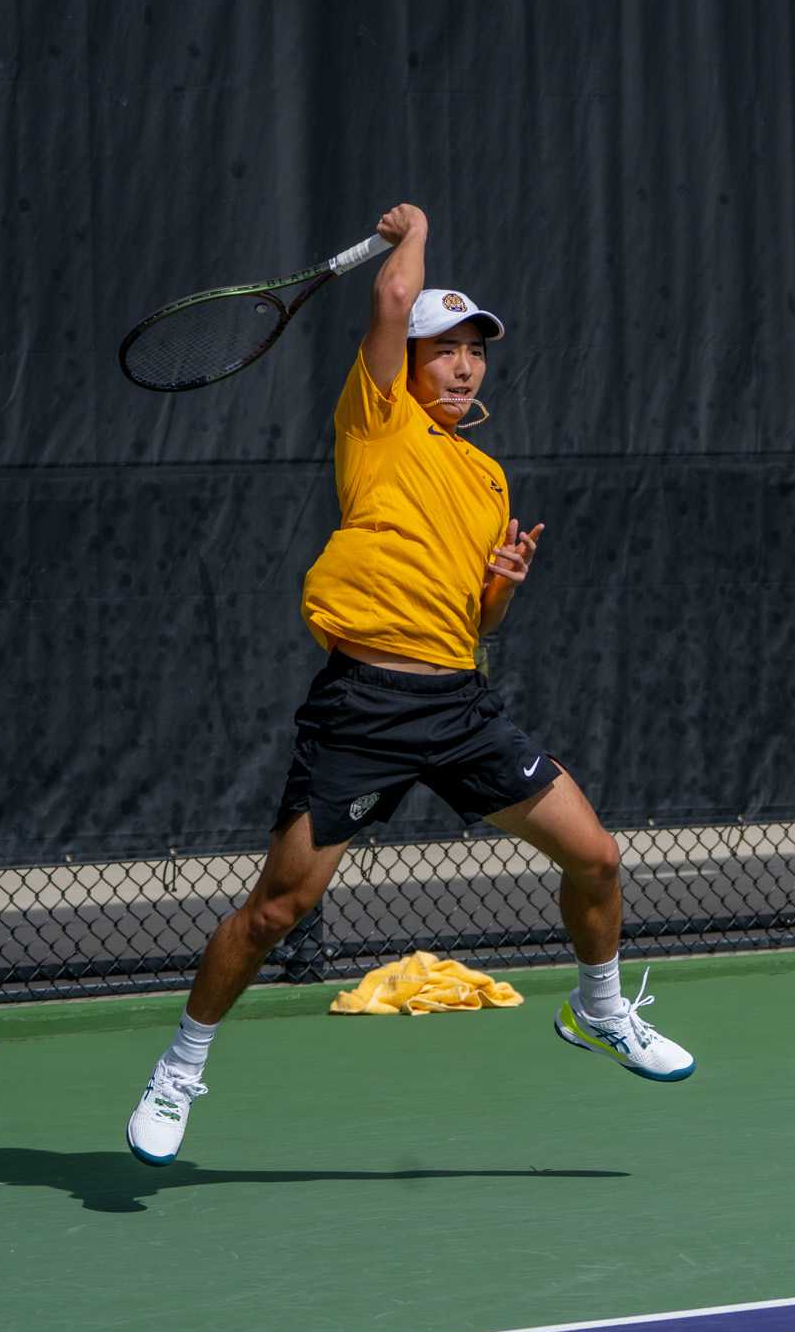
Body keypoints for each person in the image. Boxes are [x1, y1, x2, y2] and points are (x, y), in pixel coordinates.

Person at [126, 203, 692, 1166]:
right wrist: (415, 231)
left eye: (477, 350)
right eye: (444, 348)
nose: (465, 365)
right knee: (277, 910)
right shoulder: (376, 420)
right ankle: (178, 1069)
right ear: (409, 361)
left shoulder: (486, 477)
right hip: (362, 707)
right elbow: (393, 290)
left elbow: (474, 627)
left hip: (459, 707)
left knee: (595, 854)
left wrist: (500, 591)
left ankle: (600, 1010)